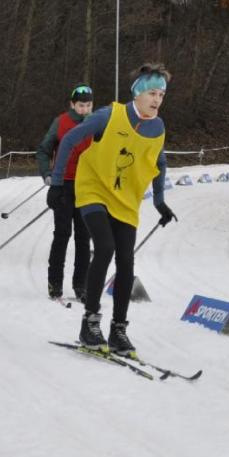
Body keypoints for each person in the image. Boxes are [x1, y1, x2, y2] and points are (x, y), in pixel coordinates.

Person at [48, 64, 177, 357]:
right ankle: (90, 322)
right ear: (138, 93)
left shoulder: (158, 128)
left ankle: (118, 330)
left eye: (161, 95)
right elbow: (69, 140)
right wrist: (57, 185)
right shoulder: (110, 115)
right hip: (92, 189)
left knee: (127, 263)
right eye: (151, 93)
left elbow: (160, 163)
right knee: (104, 248)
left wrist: (159, 202)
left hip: (125, 200)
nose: (157, 99)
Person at [35, 84, 95, 301]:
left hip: (87, 187)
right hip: (63, 185)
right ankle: (55, 283)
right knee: (62, 234)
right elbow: (43, 150)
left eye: (88, 105)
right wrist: (47, 173)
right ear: (72, 104)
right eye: (81, 105)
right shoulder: (61, 122)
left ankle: (82, 285)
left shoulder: (95, 123)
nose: (84, 109)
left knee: (84, 237)